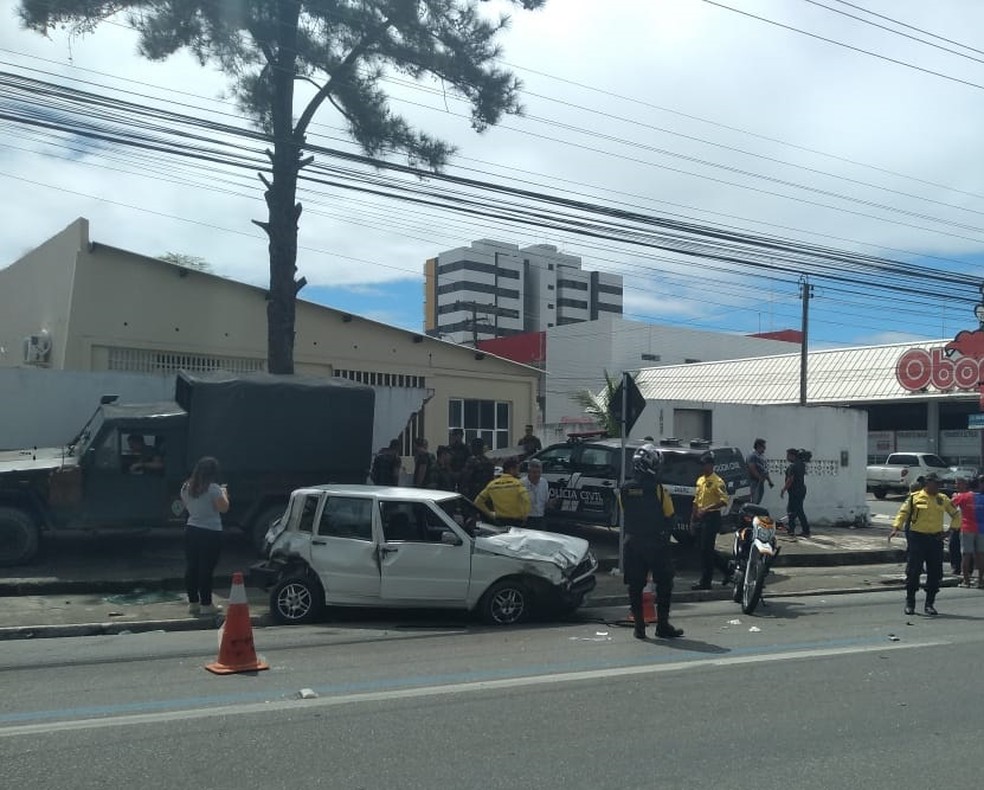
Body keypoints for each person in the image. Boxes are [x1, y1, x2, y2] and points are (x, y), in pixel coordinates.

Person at [620, 444, 682, 640]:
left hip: (633, 544)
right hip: (656, 544)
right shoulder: (659, 490)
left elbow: (625, 513)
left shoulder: (624, 489)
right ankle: (662, 626)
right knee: (664, 585)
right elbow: (670, 515)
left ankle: (639, 628)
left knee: (635, 587)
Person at [890, 472, 960, 616]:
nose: (938, 486)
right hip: (918, 538)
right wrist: (896, 527)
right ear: (928, 483)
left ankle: (929, 604)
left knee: (935, 572)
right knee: (913, 570)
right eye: (936, 483)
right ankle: (910, 603)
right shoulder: (914, 498)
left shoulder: (942, 499)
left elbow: (956, 514)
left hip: (935, 539)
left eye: (939, 484)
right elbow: (903, 513)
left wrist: (950, 531)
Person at [180, 456, 230, 617]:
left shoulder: (186, 487)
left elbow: (188, 506)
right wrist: (224, 492)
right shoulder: (214, 488)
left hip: (191, 529)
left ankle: (193, 603)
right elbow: (223, 508)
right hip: (211, 532)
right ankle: (206, 604)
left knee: (192, 567)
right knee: (206, 569)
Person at [691, 451, 732, 590]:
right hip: (700, 518)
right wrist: (692, 519)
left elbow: (724, 501)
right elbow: (696, 500)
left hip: (712, 518)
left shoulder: (718, 482)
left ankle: (706, 581)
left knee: (706, 549)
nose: (703, 467)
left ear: (711, 465)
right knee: (702, 549)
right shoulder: (700, 480)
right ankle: (728, 570)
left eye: (705, 464)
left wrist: (706, 509)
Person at [474, 457, 531, 527]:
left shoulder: (492, 485)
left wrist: (490, 515)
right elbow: (526, 500)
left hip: (499, 521)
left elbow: (477, 502)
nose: (518, 472)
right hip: (516, 521)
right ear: (511, 470)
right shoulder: (517, 484)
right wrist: (524, 515)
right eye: (517, 469)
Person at [950, 476, 983, 588]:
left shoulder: (963, 496)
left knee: (966, 555)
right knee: (980, 555)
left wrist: (955, 497)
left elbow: (951, 505)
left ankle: (966, 581)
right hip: (982, 529)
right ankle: (980, 580)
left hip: (967, 528)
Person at [781, 448, 811, 538]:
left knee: (794, 510)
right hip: (801, 490)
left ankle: (799, 530)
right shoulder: (801, 464)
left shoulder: (793, 466)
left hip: (795, 491)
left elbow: (790, 480)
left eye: (788, 455)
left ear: (792, 455)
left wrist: (783, 489)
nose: (787, 457)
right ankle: (794, 529)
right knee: (795, 510)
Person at [521, 458, 554, 529]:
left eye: (539, 472)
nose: (537, 475)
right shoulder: (521, 483)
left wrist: (551, 503)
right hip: (526, 519)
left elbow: (545, 501)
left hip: (540, 518)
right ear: (529, 472)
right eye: (534, 472)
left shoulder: (544, 482)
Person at [745, 438, 773, 505]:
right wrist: (759, 478)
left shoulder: (762, 456)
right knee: (754, 499)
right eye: (764, 446)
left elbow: (765, 470)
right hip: (754, 482)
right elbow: (752, 469)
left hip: (761, 482)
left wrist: (769, 481)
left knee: (758, 500)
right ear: (758, 446)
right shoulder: (752, 455)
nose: (765, 448)